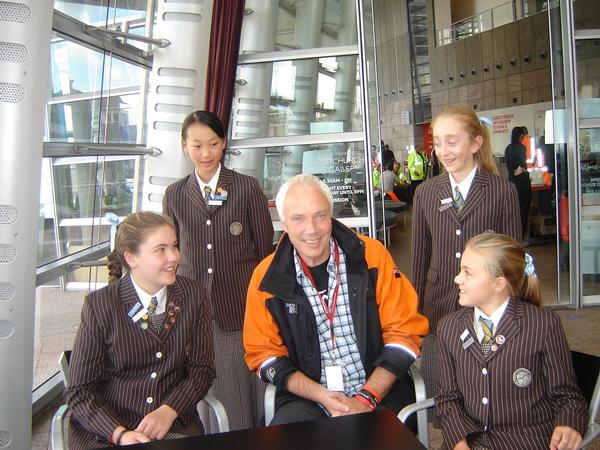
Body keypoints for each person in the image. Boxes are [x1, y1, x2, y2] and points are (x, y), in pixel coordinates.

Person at [243, 174, 428, 425]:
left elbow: (404, 332)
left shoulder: (372, 256)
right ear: (284, 223)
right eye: (298, 218)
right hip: (308, 397)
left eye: (320, 215)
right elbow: (264, 354)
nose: (312, 229)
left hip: (377, 389)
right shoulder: (266, 279)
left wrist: (366, 397)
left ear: (331, 216)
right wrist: (322, 396)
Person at [64, 212, 215, 449]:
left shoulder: (193, 295)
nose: (174, 256)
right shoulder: (100, 306)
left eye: (175, 246)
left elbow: (202, 369)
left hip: (173, 425)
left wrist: (169, 410)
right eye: (161, 250)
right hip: (107, 432)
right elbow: (79, 391)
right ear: (131, 258)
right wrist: (120, 434)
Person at [162, 111, 274, 430]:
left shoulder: (246, 187)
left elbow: (264, 250)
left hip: (238, 304)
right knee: (201, 382)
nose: (206, 153)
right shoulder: (175, 195)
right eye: (197, 145)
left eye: (213, 143)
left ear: (224, 143)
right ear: (184, 146)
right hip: (192, 307)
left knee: (240, 384)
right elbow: (172, 253)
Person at [411, 106, 521, 410]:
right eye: (437, 142)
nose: (442, 151)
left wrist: (513, 311)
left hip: (486, 305)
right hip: (438, 302)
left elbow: (512, 259)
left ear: (475, 143)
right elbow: (420, 257)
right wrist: (416, 311)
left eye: (452, 141)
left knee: (484, 390)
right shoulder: (426, 192)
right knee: (441, 394)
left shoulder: (501, 191)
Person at [436, 233, 587, 450]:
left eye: (467, 273)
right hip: (470, 441)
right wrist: (458, 443)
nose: (457, 279)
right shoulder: (449, 327)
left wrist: (568, 423)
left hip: (525, 442)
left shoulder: (542, 324)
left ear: (499, 284)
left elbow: (567, 395)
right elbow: (447, 398)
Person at [505, 126, 531, 241]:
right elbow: (522, 168)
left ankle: (514, 235)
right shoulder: (521, 148)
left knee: (514, 210)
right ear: (521, 136)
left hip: (512, 182)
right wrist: (523, 169)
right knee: (523, 210)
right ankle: (522, 236)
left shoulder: (508, 148)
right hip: (522, 183)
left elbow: (513, 170)